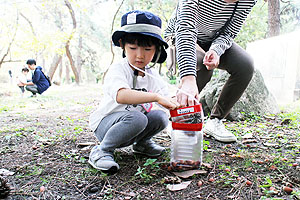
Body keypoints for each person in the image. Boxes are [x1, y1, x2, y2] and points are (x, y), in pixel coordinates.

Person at [88, 10, 180, 173]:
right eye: (133, 47)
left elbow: (167, 98)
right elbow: (121, 95)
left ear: (156, 50)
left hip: (133, 125)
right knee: (138, 118)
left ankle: (142, 144)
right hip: (107, 126)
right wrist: (156, 97)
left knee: (160, 117)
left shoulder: (152, 75)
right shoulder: (118, 69)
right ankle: (102, 150)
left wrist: (181, 103)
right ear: (122, 44)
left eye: (147, 49)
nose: (139, 55)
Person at [164, 0, 257, 143]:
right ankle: (177, 118)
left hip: (212, 39)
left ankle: (215, 120)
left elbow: (229, 32)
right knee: (200, 63)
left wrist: (216, 50)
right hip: (179, 34)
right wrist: (188, 78)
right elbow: (185, 28)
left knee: (245, 65)